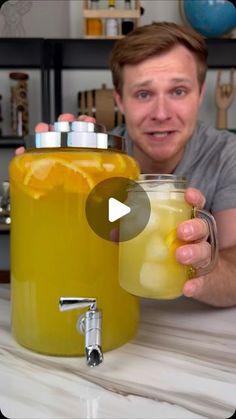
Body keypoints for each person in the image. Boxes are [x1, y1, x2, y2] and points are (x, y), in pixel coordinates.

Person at [17, 22, 236, 307]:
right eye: (143, 94)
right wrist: (48, 173)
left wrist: (203, 267)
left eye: (178, 91)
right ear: (119, 100)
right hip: (111, 311)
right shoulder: (97, 164)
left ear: (199, 93)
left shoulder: (225, 154)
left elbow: (232, 265)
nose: (161, 113)